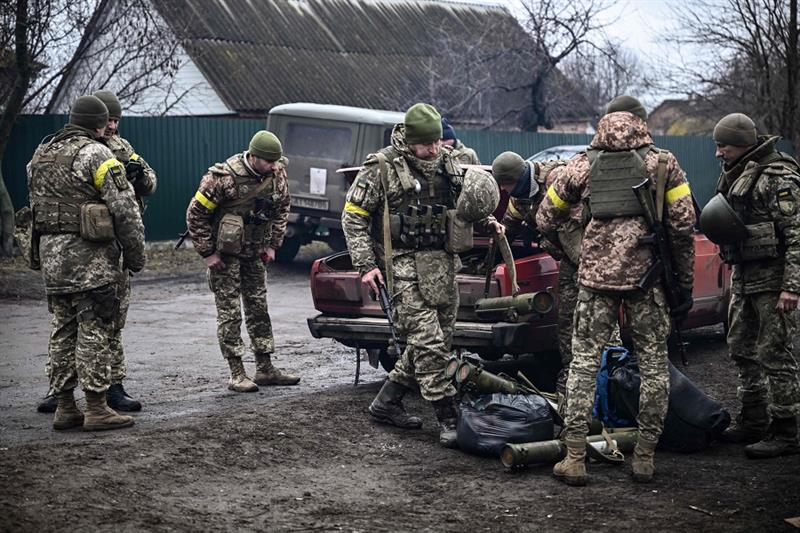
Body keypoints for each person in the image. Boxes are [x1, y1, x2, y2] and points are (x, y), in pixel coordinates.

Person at [537, 95, 695, 484]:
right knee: (654, 366)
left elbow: (545, 217)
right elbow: (682, 227)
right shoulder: (663, 164)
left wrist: (575, 241)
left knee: (583, 364)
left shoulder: (581, 164)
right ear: (642, 123)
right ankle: (644, 457)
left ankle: (575, 457)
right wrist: (683, 283)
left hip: (594, 282)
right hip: (648, 280)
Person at [342, 103, 503, 447]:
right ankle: (449, 417)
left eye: (437, 142)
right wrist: (366, 266)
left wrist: (488, 221)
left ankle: (386, 402)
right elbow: (353, 217)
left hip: (442, 265)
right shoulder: (381, 167)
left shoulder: (447, 162)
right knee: (428, 342)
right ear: (409, 140)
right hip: (401, 266)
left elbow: (463, 203)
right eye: (427, 143)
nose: (434, 149)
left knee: (437, 341)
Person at [27, 94, 146, 431]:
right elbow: (124, 209)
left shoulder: (41, 153)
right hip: (91, 261)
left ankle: (65, 407)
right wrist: (135, 255)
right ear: (98, 124)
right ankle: (96, 408)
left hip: (53, 261)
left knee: (63, 330)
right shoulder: (97, 154)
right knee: (94, 328)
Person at [702, 113, 800, 458]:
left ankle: (786, 430)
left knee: (775, 353)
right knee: (741, 348)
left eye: (723, 145)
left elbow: (796, 234)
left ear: (742, 143)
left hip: (774, 282)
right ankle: (754, 420)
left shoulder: (778, 178)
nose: (718, 153)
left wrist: (792, 287)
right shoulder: (736, 173)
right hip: (745, 279)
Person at [186, 130, 299, 392]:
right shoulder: (222, 178)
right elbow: (196, 214)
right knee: (230, 313)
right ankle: (236, 372)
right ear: (254, 156)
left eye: (277, 161)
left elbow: (282, 207)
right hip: (225, 257)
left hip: (256, 253)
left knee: (259, 308)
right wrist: (207, 253)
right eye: (269, 161)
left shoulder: (276, 174)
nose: (275, 166)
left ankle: (265, 368)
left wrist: (273, 245)